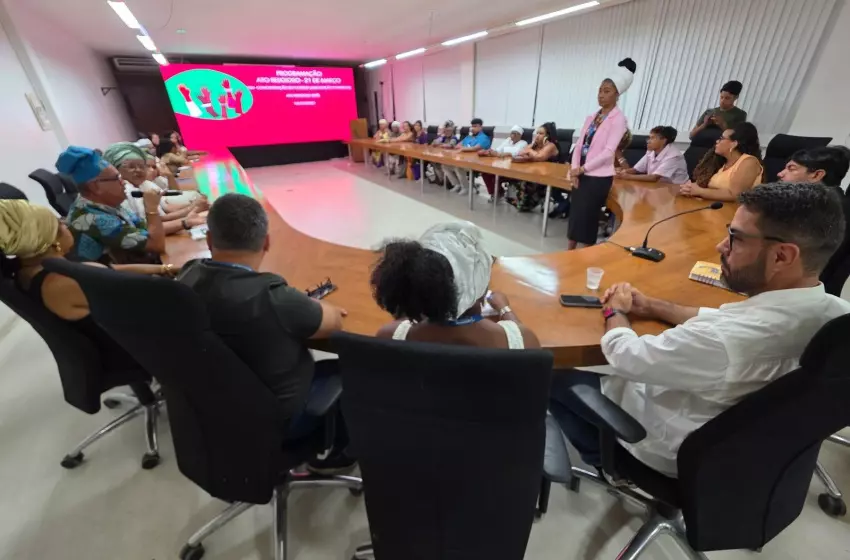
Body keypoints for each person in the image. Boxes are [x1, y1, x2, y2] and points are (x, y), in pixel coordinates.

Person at [549, 182, 849, 477]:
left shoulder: (722, 341)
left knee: (553, 369)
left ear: (781, 256)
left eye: (735, 238)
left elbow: (628, 356)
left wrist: (614, 310)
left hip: (671, 448)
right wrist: (653, 306)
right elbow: (724, 318)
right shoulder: (838, 313)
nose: (721, 246)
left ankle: (607, 463)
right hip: (755, 454)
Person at [177, 193, 353, 472]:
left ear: (209, 240)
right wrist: (312, 304)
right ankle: (339, 454)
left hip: (207, 413)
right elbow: (334, 323)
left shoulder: (186, 278)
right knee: (349, 369)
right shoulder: (275, 298)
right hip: (277, 419)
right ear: (267, 242)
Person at [0, 200, 175, 368]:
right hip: (135, 350)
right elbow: (144, 304)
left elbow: (113, 271)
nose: (66, 225)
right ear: (52, 241)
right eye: (60, 224)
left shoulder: (31, 268)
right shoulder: (63, 282)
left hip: (123, 336)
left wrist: (164, 268)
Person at [371, 221, 540, 349]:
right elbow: (519, 335)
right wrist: (505, 309)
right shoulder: (523, 341)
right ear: (480, 289)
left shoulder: (390, 336)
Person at [568, 58, 635, 249]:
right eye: (600, 90)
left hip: (598, 177)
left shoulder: (618, 120)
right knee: (575, 216)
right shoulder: (592, 117)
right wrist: (574, 170)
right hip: (580, 173)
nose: (601, 95)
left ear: (617, 95)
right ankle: (569, 251)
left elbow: (608, 152)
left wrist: (582, 169)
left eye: (607, 91)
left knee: (587, 218)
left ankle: (585, 254)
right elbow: (579, 145)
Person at [58, 146, 166, 264]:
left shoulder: (106, 203)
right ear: (95, 186)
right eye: (117, 178)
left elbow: (143, 228)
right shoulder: (95, 219)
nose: (123, 182)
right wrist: (151, 208)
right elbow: (156, 244)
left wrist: (181, 223)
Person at [777, 146, 850, 293]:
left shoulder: (822, 211)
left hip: (796, 292)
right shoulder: (828, 202)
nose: (780, 173)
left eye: (791, 168)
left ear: (817, 175)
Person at [101, 142, 207, 234]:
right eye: (131, 167)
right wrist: (186, 221)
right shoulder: (124, 192)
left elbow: (161, 217)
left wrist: (194, 209)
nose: (138, 170)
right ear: (116, 170)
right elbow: (147, 229)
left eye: (142, 166)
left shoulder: (144, 184)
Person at [681, 122, 764, 201]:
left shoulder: (749, 162)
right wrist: (690, 188)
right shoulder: (724, 163)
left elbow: (735, 195)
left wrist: (700, 191)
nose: (717, 141)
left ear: (734, 144)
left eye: (721, 138)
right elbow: (709, 188)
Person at [512, 122, 561, 213]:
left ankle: (536, 200)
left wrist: (530, 151)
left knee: (525, 182)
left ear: (547, 136)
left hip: (548, 177)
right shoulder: (535, 145)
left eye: (541, 133)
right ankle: (524, 202)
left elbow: (539, 157)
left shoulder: (551, 146)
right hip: (535, 173)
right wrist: (531, 149)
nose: (537, 135)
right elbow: (520, 152)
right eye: (537, 133)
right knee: (517, 178)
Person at [617, 126, 689, 184]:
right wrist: (622, 172)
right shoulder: (651, 151)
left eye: (652, 138)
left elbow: (654, 178)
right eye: (649, 138)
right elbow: (635, 170)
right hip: (658, 186)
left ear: (664, 140)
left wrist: (627, 176)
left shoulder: (674, 156)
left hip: (676, 189)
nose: (648, 141)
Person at [478, 125, 529, 202]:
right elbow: (498, 150)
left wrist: (504, 153)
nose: (513, 135)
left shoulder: (524, 143)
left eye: (516, 133)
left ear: (520, 135)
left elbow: (515, 153)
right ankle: (496, 193)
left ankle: (499, 192)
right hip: (502, 165)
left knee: (494, 176)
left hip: (513, 169)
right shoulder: (508, 140)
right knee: (485, 173)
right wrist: (492, 152)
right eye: (512, 133)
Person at [446, 118, 492, 196]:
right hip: (465, 159)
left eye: (475, 126)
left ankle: (466, 188)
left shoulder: (484, 138)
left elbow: (475, 148)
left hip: (476, 162)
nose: (473, 128)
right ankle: (457, 185)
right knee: (445, 165)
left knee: (458, 167)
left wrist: (463, 148)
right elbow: (457, 146)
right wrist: (465, 148)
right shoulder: (469, 137)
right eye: (472, 126)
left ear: (480, 127)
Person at [426, 120, 459, 185]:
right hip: (444, 156)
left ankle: (445, 180)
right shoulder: (443, 137)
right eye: (445, 130)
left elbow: (450, 146)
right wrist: (441, 135)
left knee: (440, 163)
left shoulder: (454, 138)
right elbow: (433, 143)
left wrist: (440, 144)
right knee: (434, 161)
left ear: (452, 130)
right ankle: (440, 179)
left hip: (451, 158)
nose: (447, 132)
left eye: (448, 131)